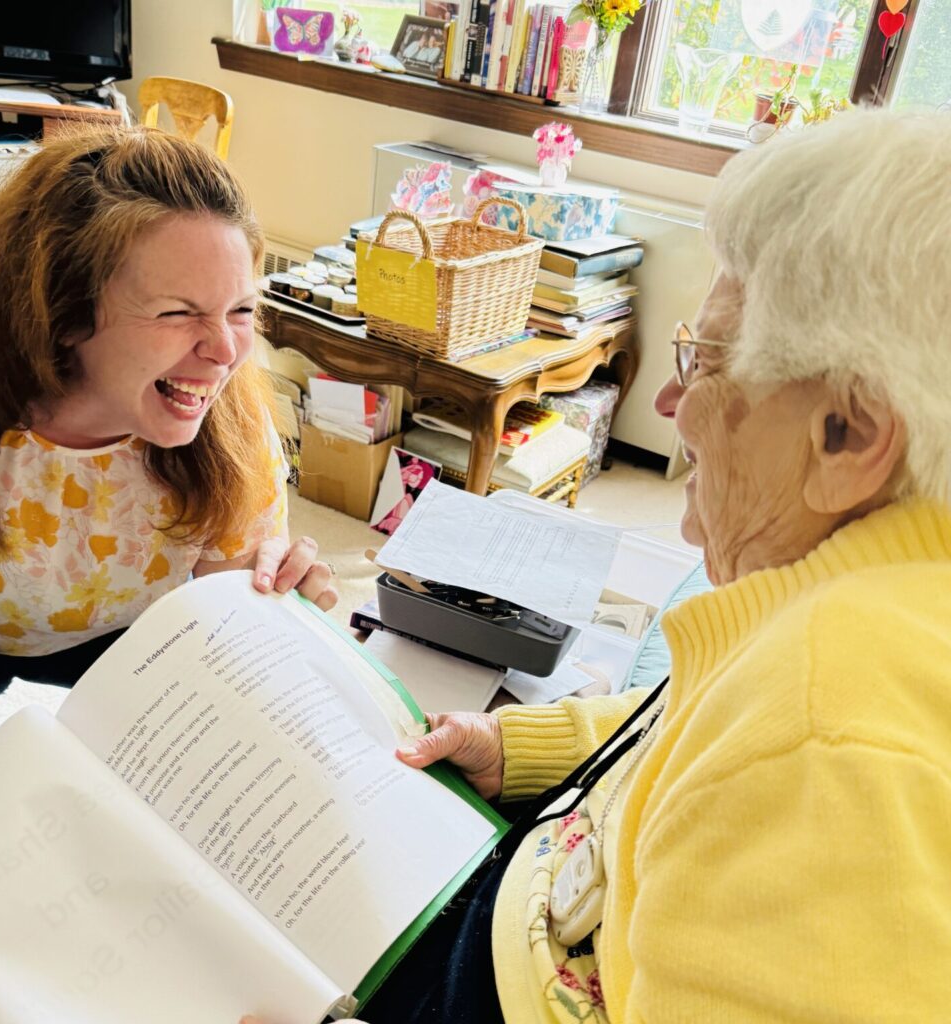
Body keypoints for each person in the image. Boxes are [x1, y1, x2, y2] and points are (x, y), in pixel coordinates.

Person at [238, 107, 951, 1022]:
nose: (670, 399)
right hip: (534, 892)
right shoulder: (862, 588)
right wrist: (518, 747)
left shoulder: (828, 746)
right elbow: (698, 727)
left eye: (707, 360)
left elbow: (773, 747)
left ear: (846, 435)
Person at [0, 126, 338, 858]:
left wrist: (268, 609)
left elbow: (222, 622)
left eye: (241, 310)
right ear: (62, 313)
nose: (225, 352)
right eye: (178, 312)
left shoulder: (229, 419)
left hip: (134, 651)